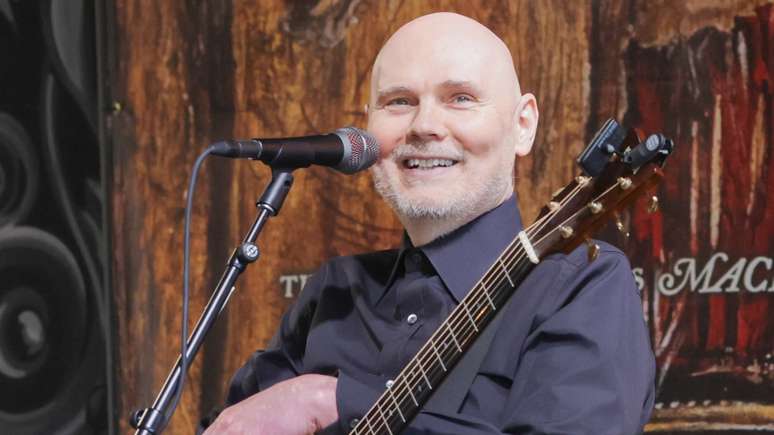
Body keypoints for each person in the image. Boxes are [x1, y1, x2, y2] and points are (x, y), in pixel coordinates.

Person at [202, 12, 655, 435]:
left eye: (460, 99)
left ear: (523, 125)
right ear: (368, 126)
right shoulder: (335, 292)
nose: (424, 125)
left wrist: (329, 400)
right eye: (399, 102)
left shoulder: (579, 284)